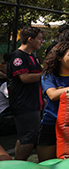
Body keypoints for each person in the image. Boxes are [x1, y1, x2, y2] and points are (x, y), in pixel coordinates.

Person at [6, 26, 44, 160]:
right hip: (24, 104)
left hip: (34, 103)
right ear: (30, 39)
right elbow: (25, 77)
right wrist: (45, 74)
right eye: (39, 38)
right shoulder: (18, 56)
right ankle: (20, 165)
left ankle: (17, 162)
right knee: (30, 135)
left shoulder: (33, 56)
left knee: (25, 136)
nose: (42, 41)